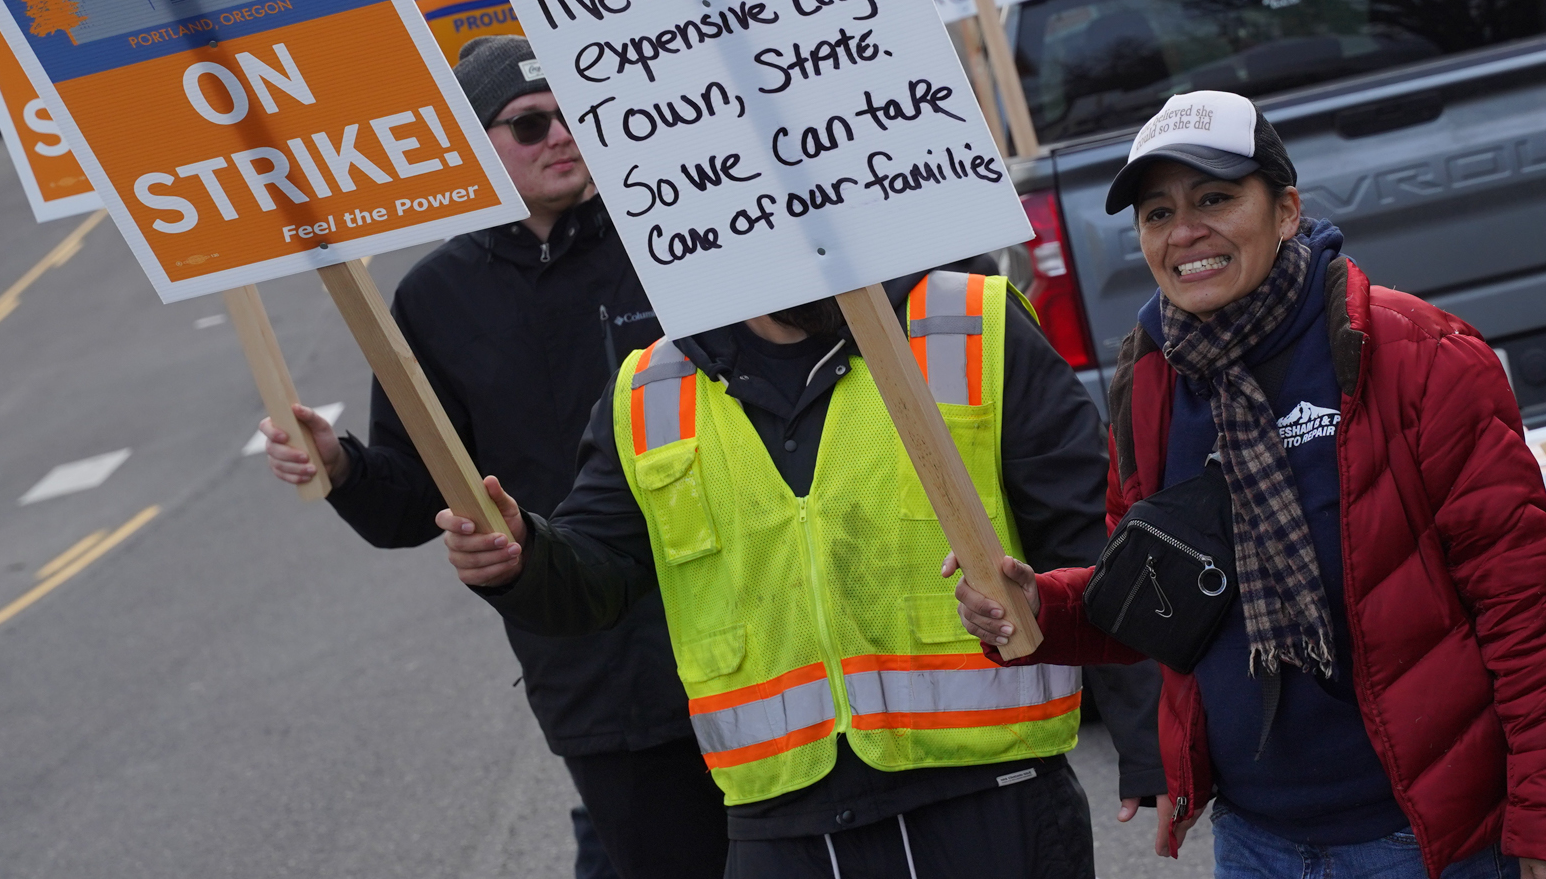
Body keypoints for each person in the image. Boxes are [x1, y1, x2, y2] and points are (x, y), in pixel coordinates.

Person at [950, 91, 1546, 879]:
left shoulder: (1417, 356)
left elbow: (1528, 611)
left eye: (1216, 198)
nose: (1185, 231)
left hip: (1427, 841)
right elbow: (1158, 600)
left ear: (1288, 209)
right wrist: (1040, 607)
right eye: (1157, 213)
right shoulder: (1151, 382)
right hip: (1256, 841)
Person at [437, 259, 1139, 878]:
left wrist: (1149, 741)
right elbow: (597, 572)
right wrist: (522, 557)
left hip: (990, 796)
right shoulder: (651, 389)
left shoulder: (967, 321)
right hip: (781, 826)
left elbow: (1092, 540)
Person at [258, 36, 728, 879]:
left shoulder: (671, 236)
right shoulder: (435, 298)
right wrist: (341, 465)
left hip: (755, 637)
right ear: (476, 145)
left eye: (570, 114)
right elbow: (413, 503)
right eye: (529, 122)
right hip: (601, 678)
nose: (560, 135)